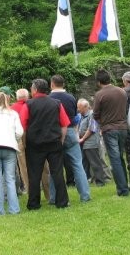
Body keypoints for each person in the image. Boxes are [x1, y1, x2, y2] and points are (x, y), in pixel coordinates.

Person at [18, 78, 70, 210]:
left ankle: (34, 203)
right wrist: (61, 140)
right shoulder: (57, 103)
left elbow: (22, 127)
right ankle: (62, 201)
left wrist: (24, 143)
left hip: (35, 144)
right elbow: (64, 125)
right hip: (54, 142)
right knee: (57, 172)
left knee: (34, 174)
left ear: (34, 89)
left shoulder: (28, 105)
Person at [48, 75, 91, 203]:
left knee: (54, 167)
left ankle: (53, 197)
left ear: (52, 84)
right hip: (71, 131)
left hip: (55, 133)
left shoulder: (49, 98)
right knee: (78, 164)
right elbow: (75, 117)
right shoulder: (71, 98)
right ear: (63, 84)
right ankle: (85, 195)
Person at [92, 69, 130, 197]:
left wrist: (102, 121)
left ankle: (123, 190)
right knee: (120, 157)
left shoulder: (100, 95)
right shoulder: (122, 91)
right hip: (123, 128)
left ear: (98, 81)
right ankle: (125, 185)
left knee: (115, 160)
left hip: (109, 129)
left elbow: (95, 114)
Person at [77, 98, 108, 187]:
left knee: (95, 163)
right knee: (84, 163)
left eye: (80, 107)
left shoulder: (92, 114)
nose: (78, 109)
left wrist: (82, 139)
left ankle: (100, 182)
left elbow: (92, 129)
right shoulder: (81, 116)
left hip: (91, 143)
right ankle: (87, 179)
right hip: (83, 143)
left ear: (86, 107)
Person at [10, 88, 31, 195]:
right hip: (32, 136)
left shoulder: (11, 109)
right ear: (27, 96)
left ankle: (28, 187)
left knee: (23, 165)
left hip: (18, 138)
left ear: (17, 97)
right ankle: (40, 183)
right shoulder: (31, 105)